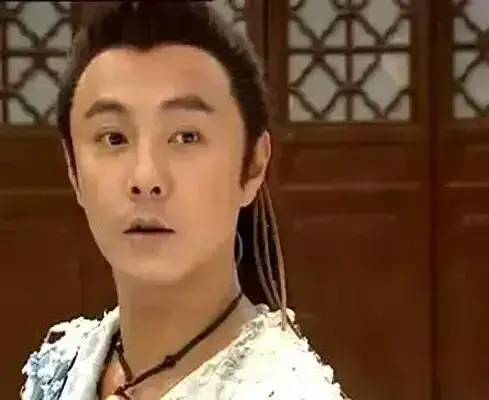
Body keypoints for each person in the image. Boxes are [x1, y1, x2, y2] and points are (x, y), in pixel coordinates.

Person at [21, 2, 347, 399]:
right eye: (114, 138)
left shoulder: (289, 391)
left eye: (186, 137)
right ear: (73, 170)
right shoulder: (61, 365)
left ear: (253, 164)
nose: (146, 178)